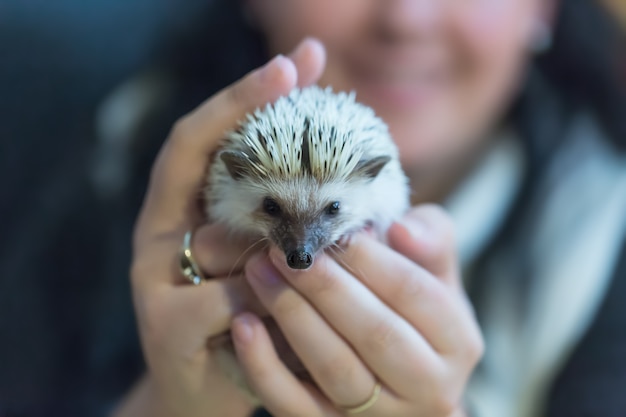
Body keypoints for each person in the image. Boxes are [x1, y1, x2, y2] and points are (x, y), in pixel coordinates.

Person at [91, 0, 625, 416]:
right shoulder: (105, 152)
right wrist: (172, 405)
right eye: (274, 210)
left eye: (328, 213)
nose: (405, 19)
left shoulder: (602, 236)